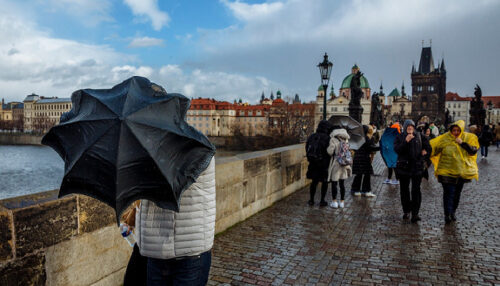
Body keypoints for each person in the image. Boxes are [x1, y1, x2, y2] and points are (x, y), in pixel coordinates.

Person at [430, 120, 479, 224]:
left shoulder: (467, 138)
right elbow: (434, 149)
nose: (455, 132)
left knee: (457, 194)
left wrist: (463, 144)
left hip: (460, 173)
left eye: (458, 130)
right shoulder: (445, 139)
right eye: (454, 130)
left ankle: (453, 211)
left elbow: (473, 151)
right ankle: (447, 214)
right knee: (449, 193)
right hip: (446, 172)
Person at [394, 120, 432, 223]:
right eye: (408, 126)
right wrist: (405, 141)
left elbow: (429, 147)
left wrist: (425, 153)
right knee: (404, 190)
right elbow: (397, 150)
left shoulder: (420, 136)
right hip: (404, 167)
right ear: (405, 127)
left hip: (417, 167)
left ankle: (415, 213)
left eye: (412, 126)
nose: (410, 128)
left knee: (416, 191)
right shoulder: (400, 137)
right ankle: (406, 210)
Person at [306, 120, 333, 206]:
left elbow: (307, 148)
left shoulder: (312, 136)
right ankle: (322, 200)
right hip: (324, 163)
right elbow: (330, 152)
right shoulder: (328, 138)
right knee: (324, 182)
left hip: (313, 162)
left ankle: (311, 200)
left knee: (314, 182)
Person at [351, 125, 380, 197]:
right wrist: (380, 147)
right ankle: (365, 190)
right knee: (366, 174)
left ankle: (355, 189)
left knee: (359, 175)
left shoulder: (359, 138)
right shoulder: (366, 138)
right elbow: (371, 147)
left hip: (358, 158)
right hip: (364, 159)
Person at [327, 127, 352, 208]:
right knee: (342, 184)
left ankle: (334, 202)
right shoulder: (346, 140)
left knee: (334, 183)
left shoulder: (333, 140)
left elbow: (330, 152)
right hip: (344, 164)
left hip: (336, 164)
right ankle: (342, 202)